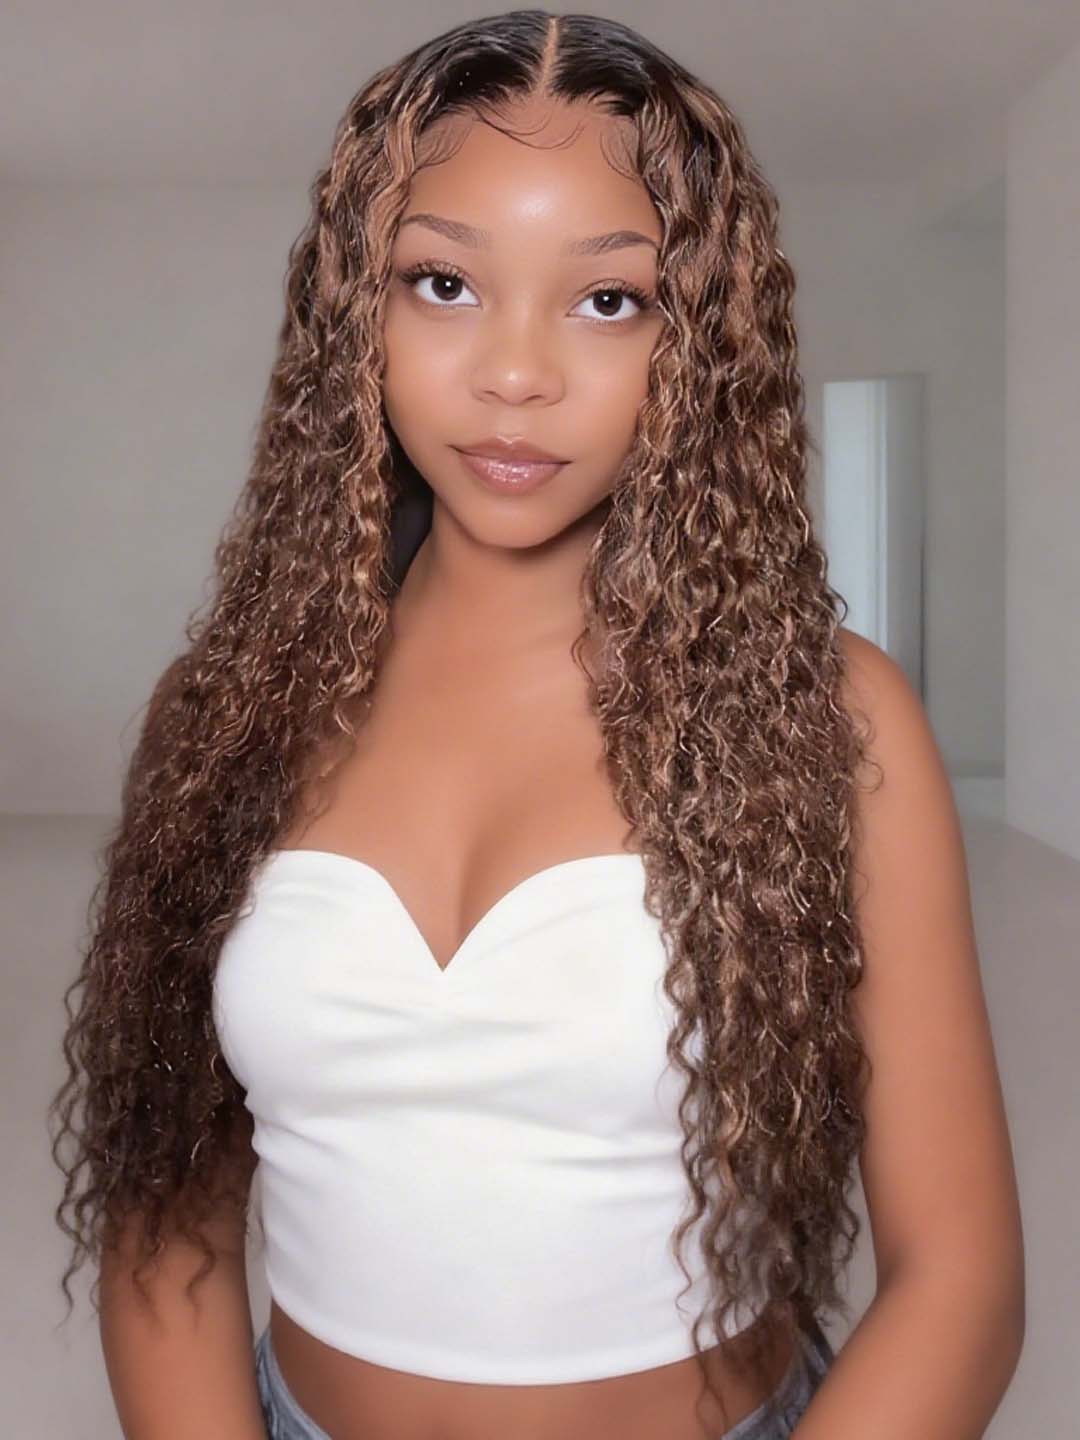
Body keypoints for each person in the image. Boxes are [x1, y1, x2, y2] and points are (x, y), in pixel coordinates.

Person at [49, 10, 1025, 1440]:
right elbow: (163, 1222)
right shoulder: (230, 711)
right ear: (356, 311)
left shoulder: (833, 721)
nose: (516, 373)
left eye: (608, 300)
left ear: (699, 343)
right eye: (444, 282)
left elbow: (960, 1284)